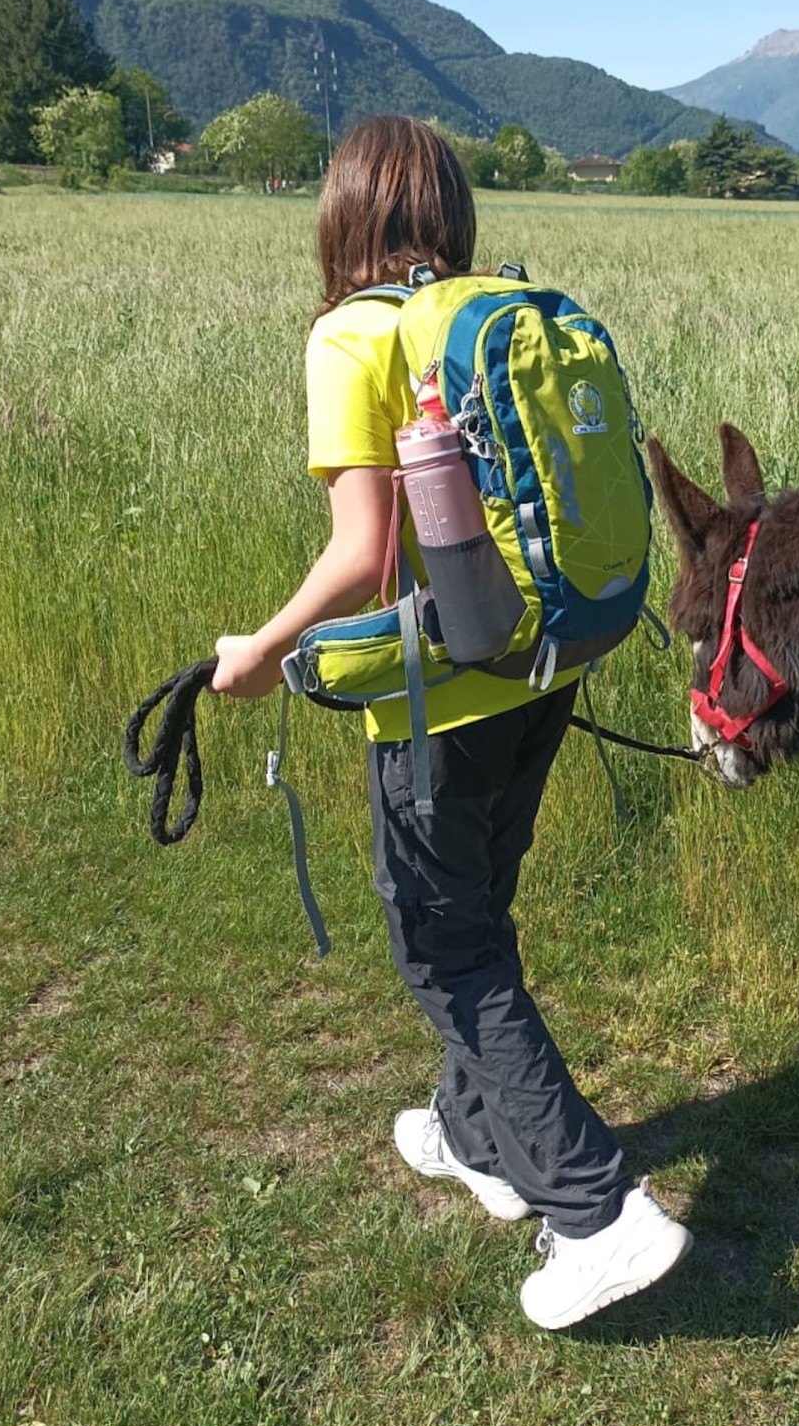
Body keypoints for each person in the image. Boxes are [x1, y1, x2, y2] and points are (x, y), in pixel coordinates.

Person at [210, 116, 691, 1329]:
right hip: (547, 665)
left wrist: (260, 651)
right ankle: (473, 1133)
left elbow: (364, 557)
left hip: (444, 700)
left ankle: (597, 1210)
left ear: (340, 216)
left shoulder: (350, 334)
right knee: (477, 908)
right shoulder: (500, 309)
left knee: (442, 945)